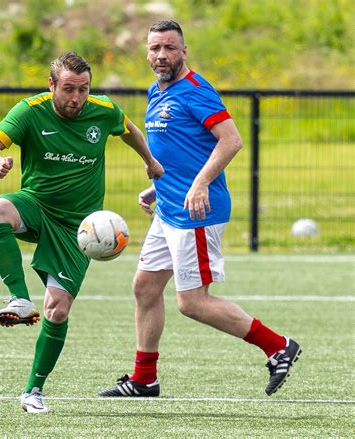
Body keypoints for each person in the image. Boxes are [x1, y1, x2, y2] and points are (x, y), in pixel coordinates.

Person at [99, 20, 301, 398]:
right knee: (144, 286)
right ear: (147, 52)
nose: (162, 56)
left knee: (192, 303)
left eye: (170, 48)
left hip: (197, 213)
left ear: (184, 51)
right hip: (170, 208)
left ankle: (277, 345)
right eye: (155, 48)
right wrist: (157, 186)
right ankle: (144, 379)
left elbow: (231, 140)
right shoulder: (156, 90)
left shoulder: (195, 90)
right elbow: (181, 150)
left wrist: (200, 183)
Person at [0, 52, 164, 414]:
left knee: (57, 310)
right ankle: (18, 298)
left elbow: (129, 130)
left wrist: (150, 161)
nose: (76, 98)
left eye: (83, 89)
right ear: (51, 86)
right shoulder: (31, 110)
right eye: (67, 89)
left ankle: (34, 390)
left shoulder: (102, 110)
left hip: (80, 229)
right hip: (36, 206)